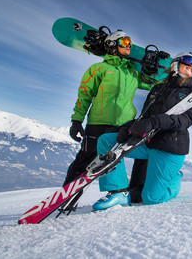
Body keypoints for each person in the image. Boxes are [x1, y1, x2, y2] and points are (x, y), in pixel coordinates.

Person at [91, 52, 192, 211]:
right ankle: (118, 192)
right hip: (148, 144)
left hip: (170, 148)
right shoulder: (157, 88)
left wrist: (154, 122)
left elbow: (184, 121)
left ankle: (175, 179)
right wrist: (128, 127)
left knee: (151, 198)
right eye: (187, 62)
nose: (191, 67)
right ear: (175, 64)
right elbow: (145, 116)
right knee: (106, 141)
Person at [63, 31, 161, 188]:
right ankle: (64, 200)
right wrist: (76, 120)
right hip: (98, 124)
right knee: (85, 161)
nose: (128, 45)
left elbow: (155, 84)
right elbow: (84, 96)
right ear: (112, 45)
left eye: (129, 42)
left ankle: (128, 194)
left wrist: (155, 69)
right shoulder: (98, 69)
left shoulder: (133, 74)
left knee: (125, 159)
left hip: (124, 126)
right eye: (124, 41)